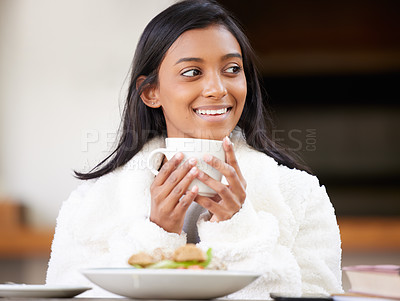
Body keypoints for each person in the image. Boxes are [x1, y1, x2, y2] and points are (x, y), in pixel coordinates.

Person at [46, 0, 343, 298]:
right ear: (151, 92)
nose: (217, 88)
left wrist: (238, 228)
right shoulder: (91, 203)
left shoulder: (301, 196)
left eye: (232, 69)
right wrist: (156, 234)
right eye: (192, 72)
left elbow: (318, 294)